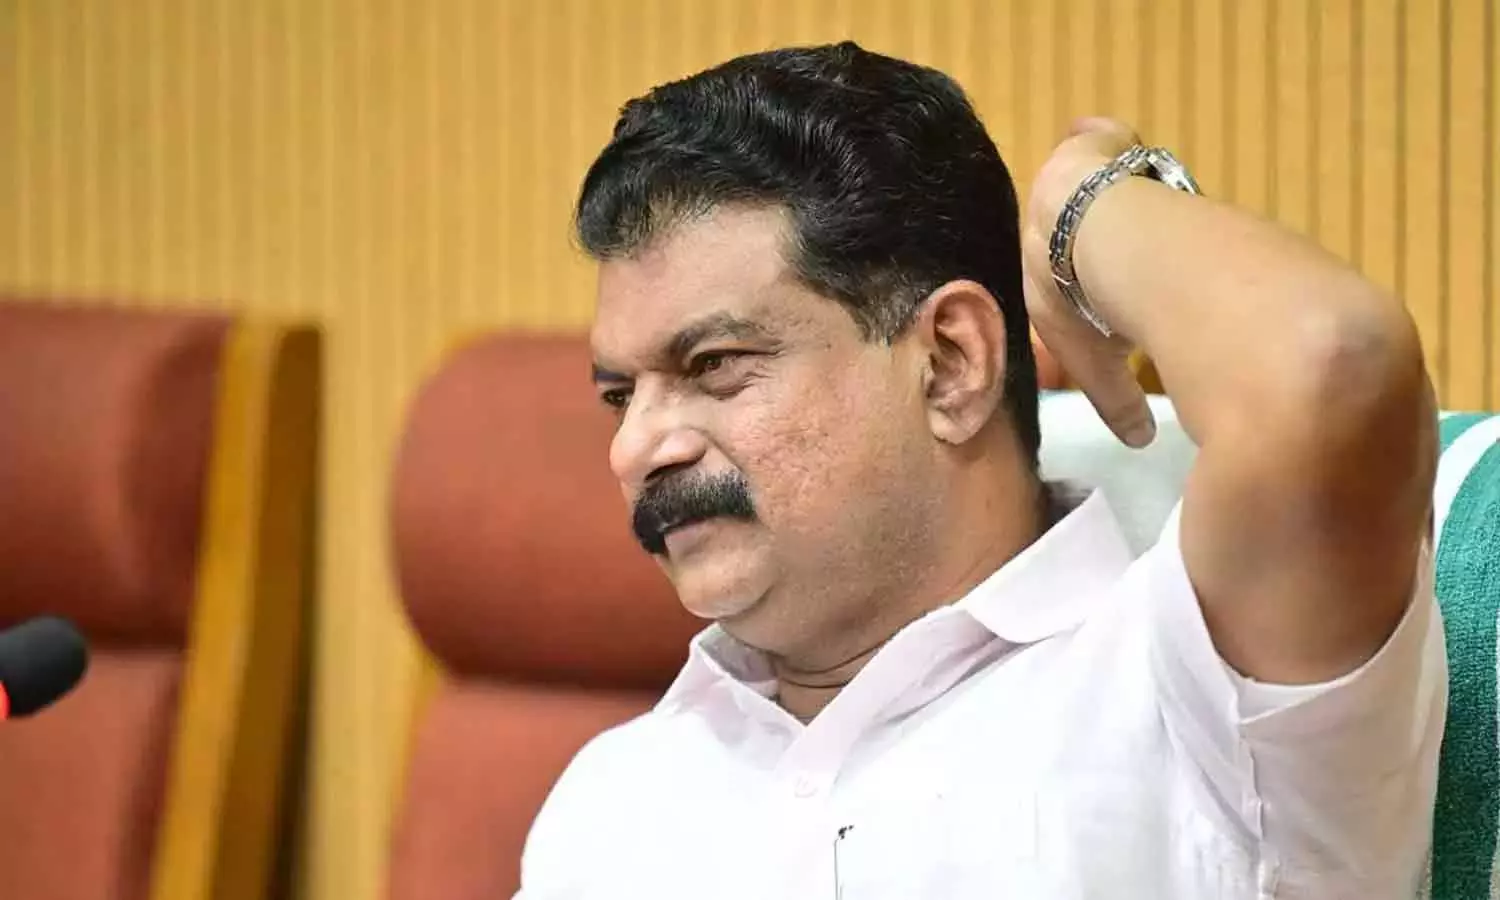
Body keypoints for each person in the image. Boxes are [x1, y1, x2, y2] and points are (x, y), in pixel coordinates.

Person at [519, 41, 1443, 899]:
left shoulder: (1200, 697)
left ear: (950, 364)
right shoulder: (609, 800)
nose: (634, 449)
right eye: (620, 395)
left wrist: (1085, 202)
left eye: (714, 364)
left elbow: (1332, 365)